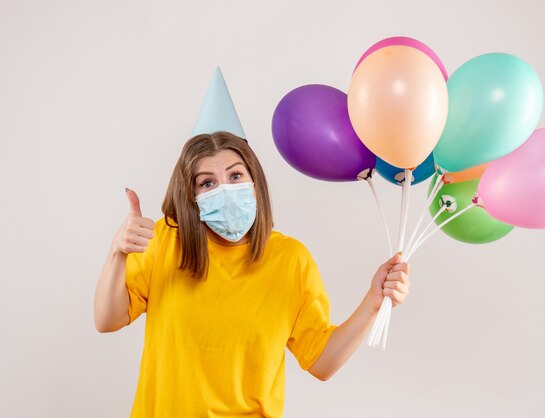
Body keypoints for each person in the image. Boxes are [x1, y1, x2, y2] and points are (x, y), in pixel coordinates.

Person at [94, 131, 411, 418]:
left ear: (254, 182)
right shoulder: (165, 241)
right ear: (192, 197)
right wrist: (117, 252)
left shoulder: (290, 260)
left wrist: (374, 300)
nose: (225, 190)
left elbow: (322, 362)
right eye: (207, 182)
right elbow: (107, 320)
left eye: (234, 175)